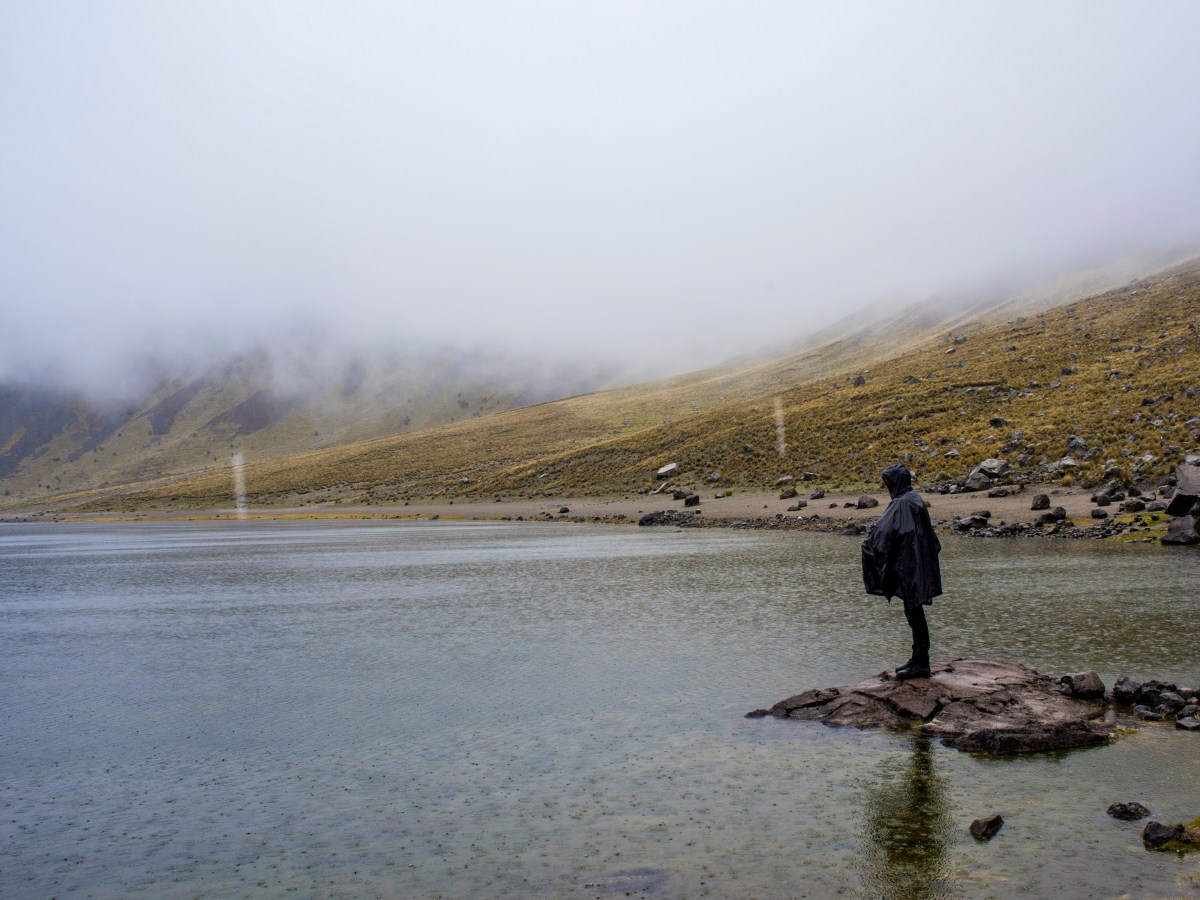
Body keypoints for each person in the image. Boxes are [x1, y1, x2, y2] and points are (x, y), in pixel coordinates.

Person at [861, 463, 942, 679]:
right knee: (913, 610)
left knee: (914, 612)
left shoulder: (902, 502)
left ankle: (921, 662)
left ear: (895, 482)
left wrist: (870, 545)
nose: (887, 487)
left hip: (909, 565)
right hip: (915, 563)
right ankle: (918, 658)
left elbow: (885, 531)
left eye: (888, 482)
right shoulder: (913, 499)